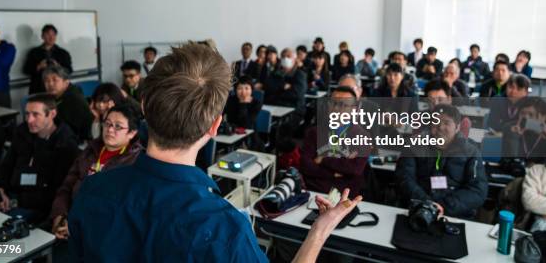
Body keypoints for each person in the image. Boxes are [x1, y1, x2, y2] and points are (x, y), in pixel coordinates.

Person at [68, 42, 361, 262]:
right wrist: (321, 229)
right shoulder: (224, 229)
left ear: (143, 106)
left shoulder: (93, 189)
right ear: (215, 126)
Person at [50, 103, 143, 240]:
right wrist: (59, 216)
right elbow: (66, 187)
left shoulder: (135, 162)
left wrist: (79, 227)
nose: (110, 130)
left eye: (118, 126)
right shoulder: (90, 150)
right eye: (107, 124)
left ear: (132, 133)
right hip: (69, 223)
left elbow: (118, 210)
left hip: (101, 234)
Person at [0, 93, 79, 224]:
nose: (29, 120)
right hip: (11, 197)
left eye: (36, 115)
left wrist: (15, 203)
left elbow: (59, 190)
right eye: (27, 114)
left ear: (52, 114)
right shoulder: (22, 132)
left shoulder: (65, 144)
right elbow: (6, 166)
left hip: (38, 207)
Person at [396, 104, 488, 219]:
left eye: (446, 123)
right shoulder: (414, 145)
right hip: (417, 209)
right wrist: (427, 203)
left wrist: (444, 206)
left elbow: (478, 190)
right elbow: (404, 178)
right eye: (435, 122)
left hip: (455, 214)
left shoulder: (471, 151)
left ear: (457, 127)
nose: (440, 127)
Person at [300, 87, 369, 195]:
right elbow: (305, 165)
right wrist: (333, 173)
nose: (337, 108)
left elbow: (355, 170)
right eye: (333, 103)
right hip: (313, 190)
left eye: (343, 104)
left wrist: (323, 160)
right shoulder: (313, 132)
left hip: (344, 195)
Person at [43, 66, 93, 143]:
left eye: (55, 80)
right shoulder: (57, 96)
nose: (50, 84)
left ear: (66, 83)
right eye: (46, 81)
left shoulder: (73, 99)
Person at [23, 24, 73, 94]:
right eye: (48, 34)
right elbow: (26, 70)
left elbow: (69, 70)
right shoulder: (34, 52)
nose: (51, 37)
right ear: (42, 36)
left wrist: (58, 67)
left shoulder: (63, 53)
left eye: (53, 35)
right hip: (38, 89)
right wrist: (38, 67)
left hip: (58, 90)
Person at [264, 48, 307, 123]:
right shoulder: (275, 73)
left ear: (295, 59)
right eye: (283, 57)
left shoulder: (300, 74)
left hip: (294, 109)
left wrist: (278, 91)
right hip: (275, 107)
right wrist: (283, 87)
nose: (285, 59)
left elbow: (297, 94)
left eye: (288, 56)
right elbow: (268, 89)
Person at [502, 97, 546, 161]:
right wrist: (514, 136)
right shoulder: (510, 127)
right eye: (522, 113)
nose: (526, 117)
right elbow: (511, 159)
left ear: (543, 117)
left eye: (531, 114)